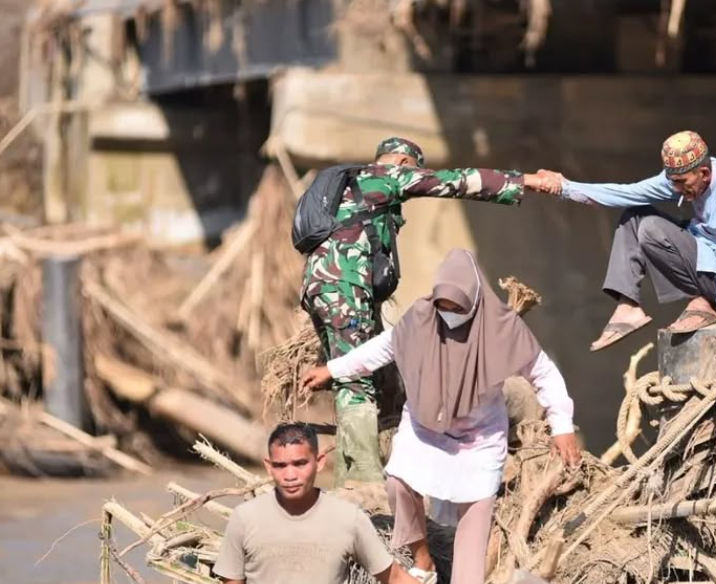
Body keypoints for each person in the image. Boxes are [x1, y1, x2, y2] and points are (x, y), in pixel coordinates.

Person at [302, 249, 580, 584]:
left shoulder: (502, 328)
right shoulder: (420, 318)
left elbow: (544, 374)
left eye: (457, 308)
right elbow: (381, 349)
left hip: (478, 438)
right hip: (425, 428)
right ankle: (423, 559)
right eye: (443, 306)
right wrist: (332, 369)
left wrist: (562, 425)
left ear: (476, 301)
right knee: (398, 484)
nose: (449, 314)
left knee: (474, 521)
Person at [301, 137, 559, 486]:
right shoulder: (390, 175)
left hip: (319, 289)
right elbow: (455, 180)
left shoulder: (351, 183)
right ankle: (362, 478)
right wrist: (525, 181)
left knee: (353, 373)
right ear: (406, 163)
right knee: (357, 379)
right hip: (346, 287)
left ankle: (353, 470)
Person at [537, 131, 716, 351]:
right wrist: (565, 188)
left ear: (705, 174)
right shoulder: (683, 179)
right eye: (672, 182)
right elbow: (627, 193)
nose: (675, 189)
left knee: (651, 228)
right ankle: (628, 306)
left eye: (681, 183)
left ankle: (703, 300)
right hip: (709, 260)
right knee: (634, 216)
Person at [213, 423, 418, 584]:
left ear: (319, 462)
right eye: (280, 466)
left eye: (300, 463)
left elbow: (395, 578)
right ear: (269, 467)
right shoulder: (245, 518)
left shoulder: (348, 518)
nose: (290, 475)